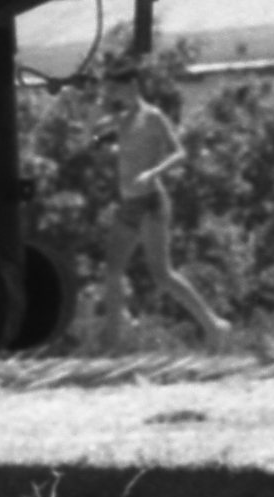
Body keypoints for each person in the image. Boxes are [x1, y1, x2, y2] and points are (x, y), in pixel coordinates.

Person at [84, 44, 227, 348]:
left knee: (162, 274)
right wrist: (98, 118)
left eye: (115, 88)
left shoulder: (153, 117)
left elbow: (180, 153)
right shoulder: (121, 120)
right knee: (112, 271)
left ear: (131, 86)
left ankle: (212, 324)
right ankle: (114, 342)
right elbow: (93, 141)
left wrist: (153, 172)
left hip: (150, 200)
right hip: (128, 202)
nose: (111, 93)